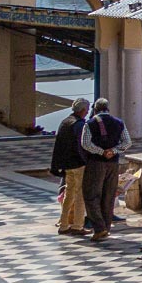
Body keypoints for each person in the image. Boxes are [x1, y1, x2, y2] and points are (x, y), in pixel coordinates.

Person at [79, 96, 131, 239]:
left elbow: (85, 143)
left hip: (96, 162)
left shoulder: (90, 124)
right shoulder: (118, 123)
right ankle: (106, 228)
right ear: (108, 108)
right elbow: (127, 142)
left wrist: (102, 152)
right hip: (113, 163)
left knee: (91, 195)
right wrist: (113, 151)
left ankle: (99, 227)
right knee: (108, 196)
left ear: (95, 109)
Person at [50, 98, 91, 235]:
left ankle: (63, 224)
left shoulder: (65, 122)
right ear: (83, 111)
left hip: (67, 164)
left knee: (69, 193)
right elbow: (82, 145)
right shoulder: (79, 124)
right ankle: (78, 225)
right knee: (80, 195)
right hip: (78, 163)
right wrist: (86, 159)